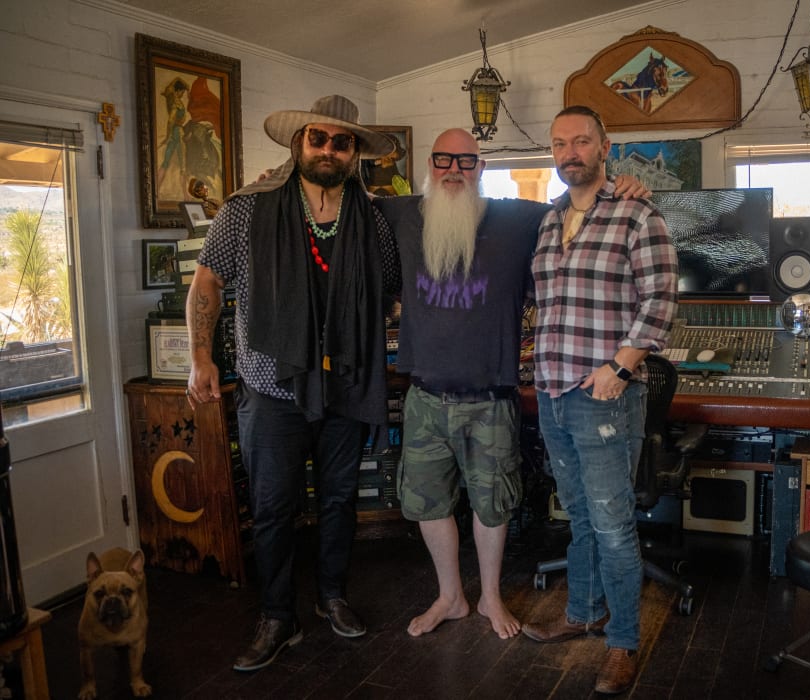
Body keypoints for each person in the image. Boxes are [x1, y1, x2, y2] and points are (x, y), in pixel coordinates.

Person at [373, 128, 650, 641]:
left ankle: (491, 598)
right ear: (429, 166)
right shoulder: (399, 215)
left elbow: (581, 195)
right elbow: (335, 199)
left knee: (493, 504)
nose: (454, 170)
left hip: (492, 396)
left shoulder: (521, 218)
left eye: (467, 161)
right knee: (428, 504)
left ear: (482, 167)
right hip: (424, 396)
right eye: (443, 160)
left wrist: (625, 185)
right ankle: (451, 597)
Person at [185, 95, 400, 673]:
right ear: (298, 143)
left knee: (337, 502)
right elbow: (207, 282)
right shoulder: (247, 209)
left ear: (354, 152)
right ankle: (278, 616)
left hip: (345, 388)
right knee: (274, 508)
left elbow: (392, 289)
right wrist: (199, 357)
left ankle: (332, 595)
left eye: (342, 141)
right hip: (270, 387)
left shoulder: (372, 216)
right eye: (319, 138)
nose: (329, 149)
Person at [521, 105, 678, 696]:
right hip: (553, 390)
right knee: (580, 514)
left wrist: (620, 367)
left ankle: (623, 644)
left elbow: (661, 301)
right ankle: (583, 612)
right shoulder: (547, 219)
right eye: (560, 143)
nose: (570, 152)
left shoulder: (638, 211)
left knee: (613, 526)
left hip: (605, 394)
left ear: (605, 147)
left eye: (581, 141)